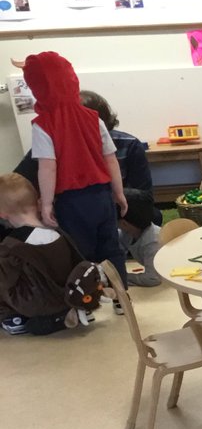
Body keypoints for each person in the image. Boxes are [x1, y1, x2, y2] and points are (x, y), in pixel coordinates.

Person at [19, 52, 127, 298]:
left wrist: (45, 203)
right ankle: (122, 298)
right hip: (102, 195)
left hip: (72, 201)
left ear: (37, 88)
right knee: (111, 248)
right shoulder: (93, 118)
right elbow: (110, 158)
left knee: (79, 254)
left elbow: (48, 167)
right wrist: (118, 192)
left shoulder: (43, 124)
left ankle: (85, 303)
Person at [79, 90, 162, 286]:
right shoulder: (65, 147)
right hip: (87, 212)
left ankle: (116, 268)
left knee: (153, 216)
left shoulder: (129, 145)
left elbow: (145, 195)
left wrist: (112, 199)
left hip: (121, 208)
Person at [0, 173, 91, 334]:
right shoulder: (59, 234)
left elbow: (4, 281)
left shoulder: (11, 245)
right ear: (38, 203)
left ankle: (12, 318)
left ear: (2, 215)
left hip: (36, 305)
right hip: (66, 298)